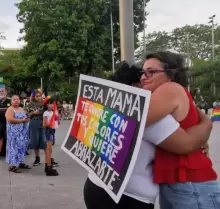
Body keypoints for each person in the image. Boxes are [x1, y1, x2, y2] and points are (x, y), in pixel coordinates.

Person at [84, 62, 212, 209]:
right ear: (135, 86)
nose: (148, 82)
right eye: (143, 77)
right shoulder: (143, 112)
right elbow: (187, 144)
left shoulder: (113, 111)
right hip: (127, 198)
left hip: (96, 185)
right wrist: (206, 124)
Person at [140, 51, 218, 209]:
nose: (143, 77)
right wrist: (205, 125)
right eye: (142, 72)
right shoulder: (172, 92)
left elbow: (134, 119)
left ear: (170, 75)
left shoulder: (170, 88)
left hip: (191, 184)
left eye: (151, 72)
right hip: (180, 184)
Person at [5, 95, 30, 173]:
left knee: (21, 147)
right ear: (11, 101)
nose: (16, 100)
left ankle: (20, 162)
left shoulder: (21, 109)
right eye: (14, 99)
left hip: (22, 133)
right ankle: (13, 165)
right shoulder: (10, 109)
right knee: (14, 148)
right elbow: (10, 119)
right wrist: (22, 121)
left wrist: (27, 119)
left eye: (18, 99)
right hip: (13, 133)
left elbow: (26, 117)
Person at [25, 89, 46, 166]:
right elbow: (26, 114)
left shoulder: (44, 103)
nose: (39, 97)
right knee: (34, 141)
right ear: (34, 96)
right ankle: (37, 158)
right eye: (37, 96)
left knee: (45, 141)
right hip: (34, 122)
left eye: (40, 96)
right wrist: (33, 113)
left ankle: (49, 158)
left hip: (43, 123)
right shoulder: (30, 104)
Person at [42, 98, 59, 176]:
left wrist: (56, 122)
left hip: (52, 131)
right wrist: (52, 123)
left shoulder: (53, 112)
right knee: (48, 150)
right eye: (50, 103)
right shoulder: (46, 113)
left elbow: (56, 121)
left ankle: (47, 165)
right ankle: (48, 168)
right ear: (46, 105)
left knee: (50, 150)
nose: (52, 105)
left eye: (53, 103)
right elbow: (44, 124)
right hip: (48, 131)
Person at [0, 88, 11, 159]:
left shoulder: (10, 101)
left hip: (8, 122)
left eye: (3, 91)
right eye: (0, 91)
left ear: (6, 92)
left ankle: (9, 153)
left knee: (9, 137)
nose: (1, 93)